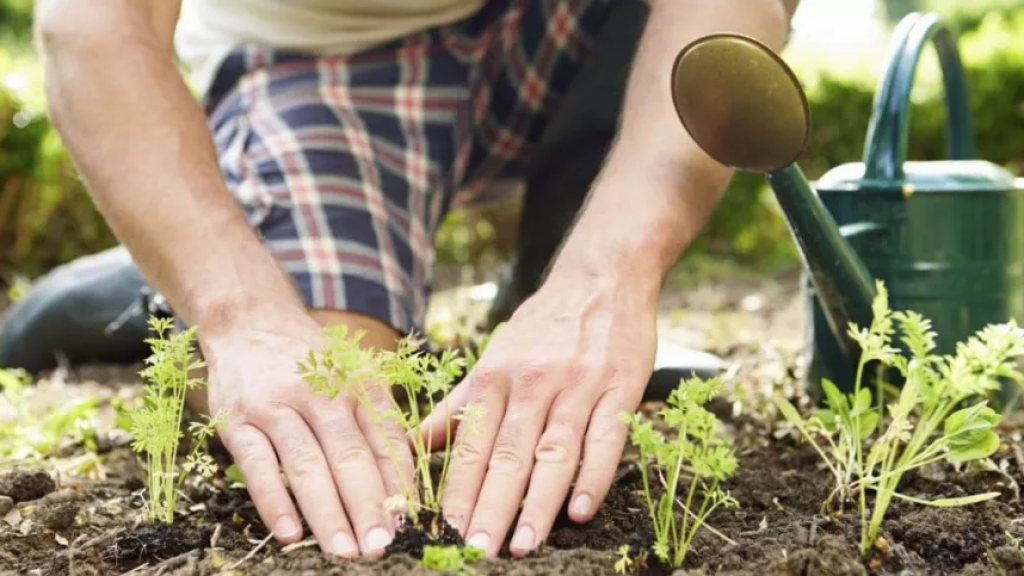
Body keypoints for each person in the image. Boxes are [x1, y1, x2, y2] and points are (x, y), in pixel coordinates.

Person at [25, 0, 799, 561]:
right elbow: (90, 27)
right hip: (323, 57)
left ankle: (550, 288)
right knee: (335, 387)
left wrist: (608, 278)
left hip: (575, 26)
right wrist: (238, 311)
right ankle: (192, 253)